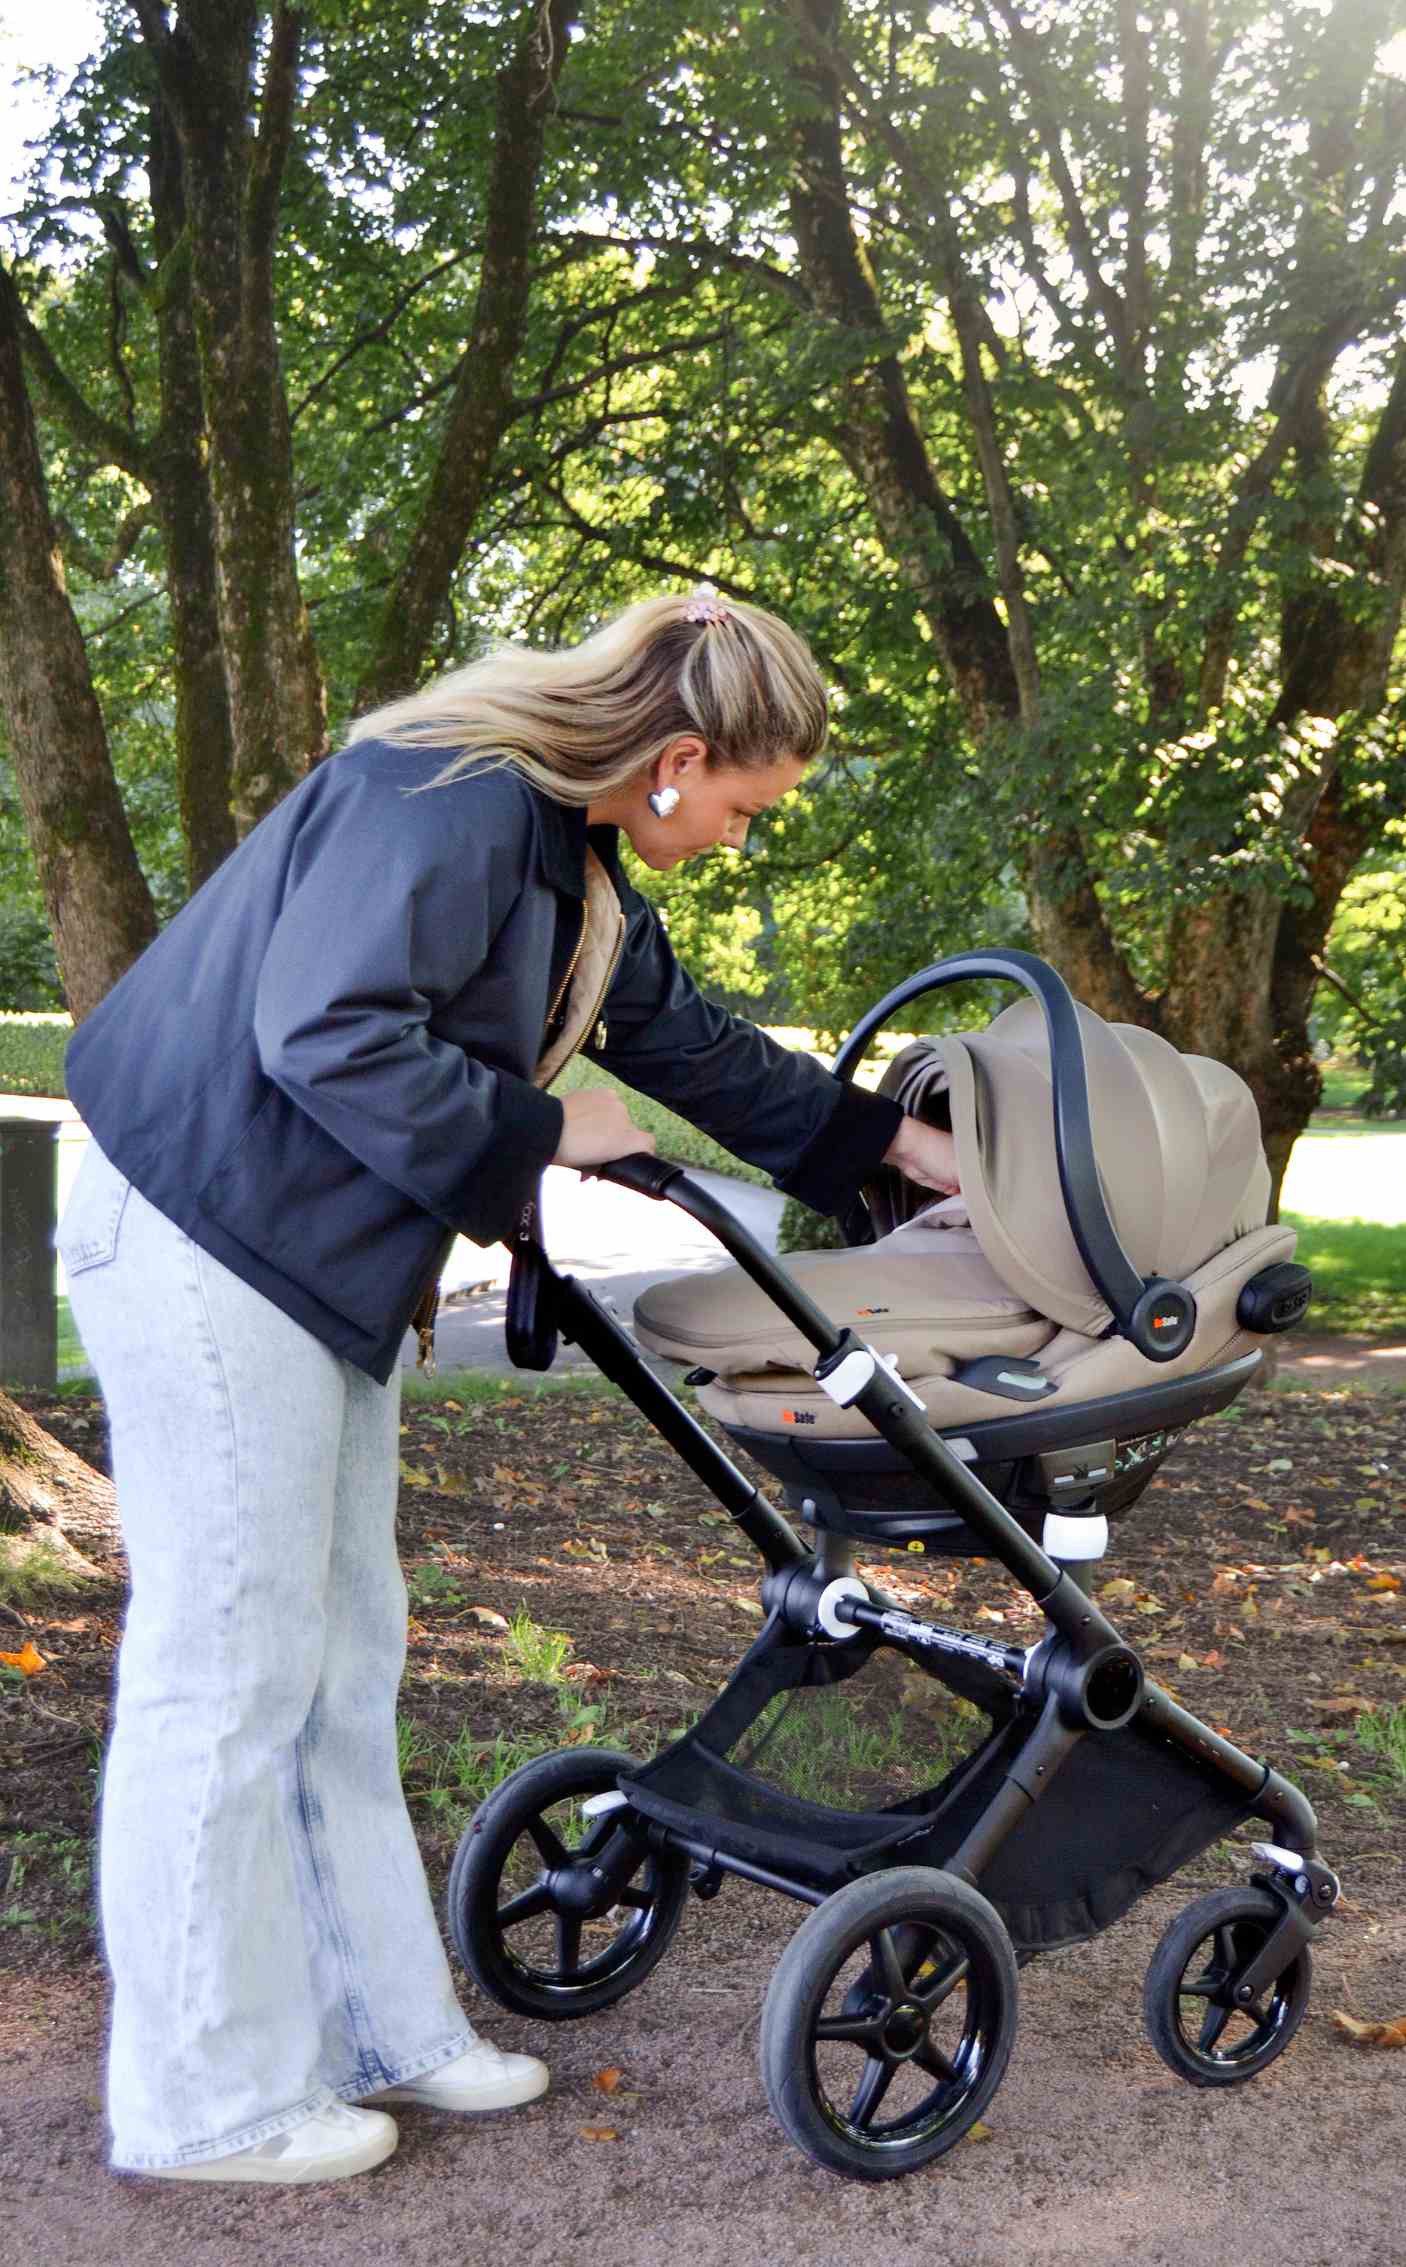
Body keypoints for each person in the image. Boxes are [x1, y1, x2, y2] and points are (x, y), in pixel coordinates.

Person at [56, 584, 959, 2185]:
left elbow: (689, 1048)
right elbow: (325, 1032)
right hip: (203, 1224)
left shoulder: (568, 859)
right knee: (232, 1661)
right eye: (748, 808)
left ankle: (373, 2027)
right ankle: (204, 2098)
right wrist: (547, 1136)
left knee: (343, 1651)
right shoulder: (453, 798)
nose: (744, 838)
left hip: (304, 1256)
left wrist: (889, 1147)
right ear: (679, 758)